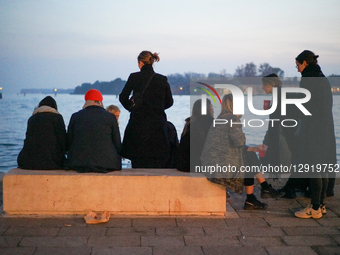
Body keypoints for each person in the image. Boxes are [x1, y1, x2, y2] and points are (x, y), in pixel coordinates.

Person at [201, 94, 274, 210]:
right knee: (247, 160)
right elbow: (239, 142)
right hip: (219, 165)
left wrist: (254, 148)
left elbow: (231, 146)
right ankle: (260, 190)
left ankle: (258, 193)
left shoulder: (220, 119)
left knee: (248, 156)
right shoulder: (232, 119)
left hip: (211, 162)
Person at [293, 50, 337, 219]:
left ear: (305, 63)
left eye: (298, 65)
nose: (297, 69)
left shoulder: (307, 80)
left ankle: (315, 207)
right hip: (327, 128)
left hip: (313, 129)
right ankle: (321, 205)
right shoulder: (323, 79)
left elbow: (304, 106)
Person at [119, 51, 173, 168]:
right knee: (157, 162)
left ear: (140, 63)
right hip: (157, 125)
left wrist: (131, 108)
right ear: (152, 62)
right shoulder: (162, 79)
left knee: (138, 161)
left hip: (138, 123)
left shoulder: (134, 77)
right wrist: (158, 108)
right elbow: (170, 102)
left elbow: (122, 97)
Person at [261, 74, 307, 198]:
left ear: (272, 84)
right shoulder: (281, 94)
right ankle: (284, 184)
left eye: (265, 85)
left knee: (284, 158)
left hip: (282, 132)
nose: (262, 88)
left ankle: (282, 185)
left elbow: (281, 116)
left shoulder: (279, 96)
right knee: (285, 158)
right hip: (285, 131)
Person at [65, 89, 122, 173]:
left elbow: (69, 142)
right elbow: (117, 143)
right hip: (107, 163)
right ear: (100, 101)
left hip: (78, 163)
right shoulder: (110, 117)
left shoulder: (75, 116)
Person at [17, 96, 66, 170]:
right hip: (52, 162)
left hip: (29, 162)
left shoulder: (32, 119)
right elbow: (63, 141)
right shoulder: (57, 118)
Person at [177, 99, 214, 172]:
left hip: (186, 165)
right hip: (203, 165)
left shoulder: (189, 124)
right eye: (211, 107)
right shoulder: (213, 124)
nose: (213, 109)